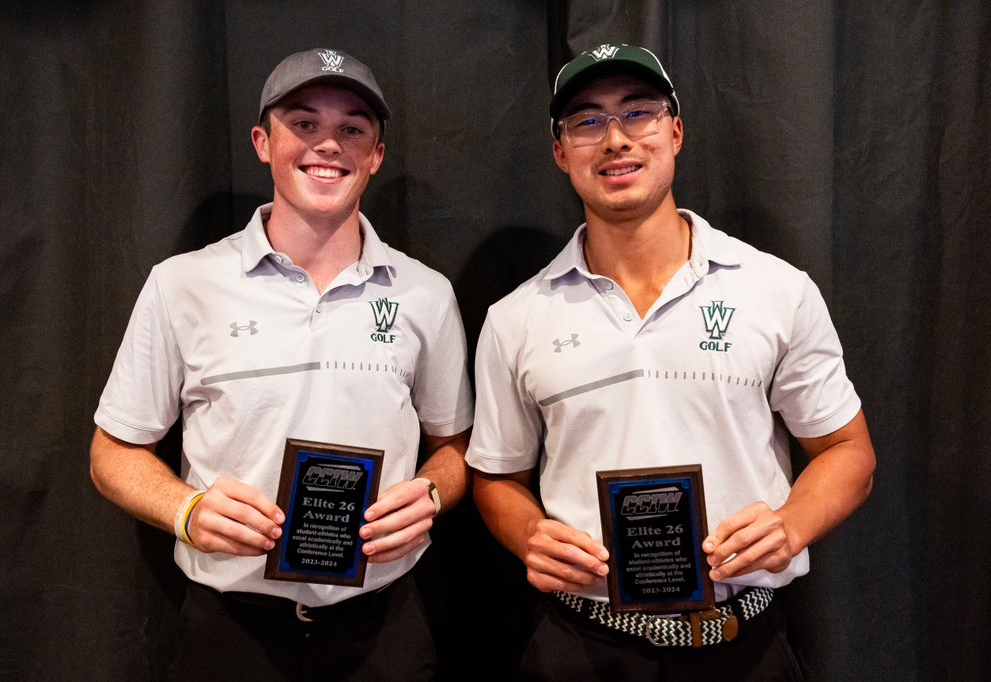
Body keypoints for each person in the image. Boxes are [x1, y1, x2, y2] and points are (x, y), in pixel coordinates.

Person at [467, 43, 875, 680]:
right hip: (581, 647)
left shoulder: (776, 290)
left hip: (746, 646)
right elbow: (497, 478)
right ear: (560, 151)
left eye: (638, 113)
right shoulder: (515, 319)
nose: (615, 140)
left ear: (675, 131)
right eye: (587, 121)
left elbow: (849, 451)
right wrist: (527, 536)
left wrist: (792, 524)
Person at [90, 48, 473, 680]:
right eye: (304, 123)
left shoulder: (425, 294)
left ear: (376, 155)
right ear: (263, 142)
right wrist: (185, 511)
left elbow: (456, 445)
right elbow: (112, 453)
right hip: (229, 630)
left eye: (353, 128)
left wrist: (431, 494)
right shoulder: (183, 283)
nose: (329, 145)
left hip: (383, 627)